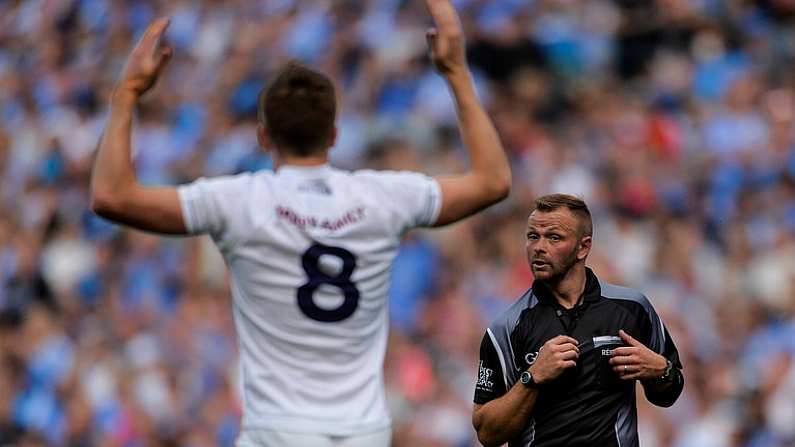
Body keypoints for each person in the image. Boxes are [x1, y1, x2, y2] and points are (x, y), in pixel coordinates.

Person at [90, 1, 510, 446]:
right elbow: (493, 180)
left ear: (263, 135)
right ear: (334, 135)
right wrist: (456, 73)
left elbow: (110, 196)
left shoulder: (239, 200)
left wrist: (126, 95)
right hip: (362, 433)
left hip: (277, 433)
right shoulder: (383, 197)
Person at [472, 194, 684, 447]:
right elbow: (487, 433)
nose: (539, 246)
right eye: (532, 236)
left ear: (583, 247)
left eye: (554, 237)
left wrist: (661, 370)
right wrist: (532, 377)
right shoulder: (506, 327)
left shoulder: (632, 309)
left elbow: (669, 392)